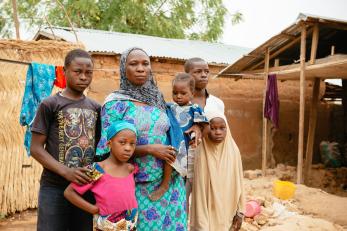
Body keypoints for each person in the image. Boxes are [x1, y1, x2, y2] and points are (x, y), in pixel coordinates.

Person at [96, 47, 201, 230]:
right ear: (123, 68)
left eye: (145, 63)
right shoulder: (115, 103)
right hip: (136, 184)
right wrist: (150, 149)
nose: (140, 68)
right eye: (133, 64)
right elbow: (107, 148)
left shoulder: (157, 99)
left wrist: (198, 125)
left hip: (170, 183)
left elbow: (181, 118)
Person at [30, 49, 101, 231]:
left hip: (84, 188)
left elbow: (99, 150)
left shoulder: (96, 108)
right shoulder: (50, 104)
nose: (83, 77)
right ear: (64, 72)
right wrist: (66, 172)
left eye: (88, 72)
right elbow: (36, 149)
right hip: (54, 187)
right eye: (78, 71)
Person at [64, 121, 139, 231]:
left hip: (130, 224)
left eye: (132, 144)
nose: (128, 148)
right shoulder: (97, 169)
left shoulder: (130, 168)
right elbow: (69, 192)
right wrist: (92, 209)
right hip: (106, 225)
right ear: (109, 144)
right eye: (122, 142)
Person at [149, 73, 208, 202]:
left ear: (192, 93)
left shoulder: (195, 109)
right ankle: (165, 186)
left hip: (184, 144)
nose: (178, 96)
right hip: (170, 140)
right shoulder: (170, 106)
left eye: (183, 93)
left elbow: (204, 125)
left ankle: (166, 187)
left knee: (177, 166)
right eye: (175, 93)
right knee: (169, 160)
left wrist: (198, 130)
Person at [190, 111, 245, 231]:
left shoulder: (233, 151)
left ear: (227, 129)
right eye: (213, 128)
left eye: (222, 128)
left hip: (227, 210)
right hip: (204, 209)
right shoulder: (201, 150)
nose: (218, 132)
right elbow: (199, 189)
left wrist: (240, 211)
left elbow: (240, 182)